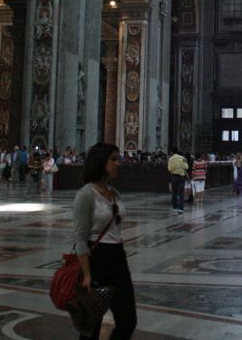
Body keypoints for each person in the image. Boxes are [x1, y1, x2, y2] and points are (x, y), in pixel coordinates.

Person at [72, 143, 136, 340]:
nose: (118, 163)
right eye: (114, 159)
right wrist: (87, 275)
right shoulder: (85, 195)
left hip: (118, 259)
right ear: (101, 162)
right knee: (92, 325)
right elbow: (81, 239)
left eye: (119, 159)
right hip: (96, 260)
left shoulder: (114, 193)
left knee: (128, 320)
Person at [167, 147, 188, 214]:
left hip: (174, 176)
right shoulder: (182, 158)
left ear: (172, 152)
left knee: (174, 192)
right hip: (181, 176)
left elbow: (169, 169)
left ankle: (175, 207)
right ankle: (181, 208)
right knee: (181, 193)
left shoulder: (170, 159)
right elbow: (186, 167)